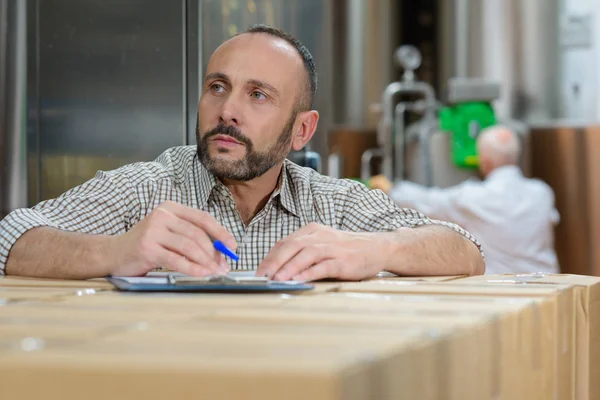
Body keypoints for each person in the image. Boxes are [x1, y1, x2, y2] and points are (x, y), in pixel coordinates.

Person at [0, 25, 484, 281]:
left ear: (301, 130)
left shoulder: (333, 205)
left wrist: (379, 248)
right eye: (217, 87)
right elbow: (10, 241)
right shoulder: (148, 188)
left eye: (258, 95)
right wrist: (115, 251)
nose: (227, 110)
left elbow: (466, 250)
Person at [370, 125, 559, 275]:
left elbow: (427, 201)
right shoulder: (542, 193)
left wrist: (391, 189)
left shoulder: (473, 198)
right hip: (548, 285)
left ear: (484, 161)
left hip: (501, 290)